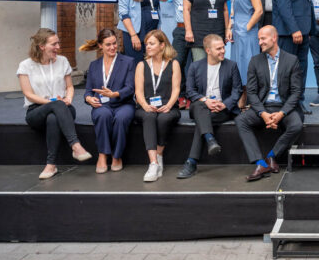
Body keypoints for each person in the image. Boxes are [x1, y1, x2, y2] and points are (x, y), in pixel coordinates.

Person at [18, 28, 92, 179]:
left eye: (58, 43)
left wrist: (69, 99)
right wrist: (52, 103)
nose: (58, 47)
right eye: (54, 44)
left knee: (53, 117)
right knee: (55, 107)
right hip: (36, 111)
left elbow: (70, 87)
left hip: (64, 108)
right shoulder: (25, 65)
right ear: (42, 46)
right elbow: (28, 94)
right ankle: (76, 146)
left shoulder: (63, 61)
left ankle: (51, 165)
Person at [235, 26, 304, 182]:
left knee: (296, 125)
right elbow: (251, 93)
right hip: (263, 107)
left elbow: (296, 93)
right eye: (259, 39)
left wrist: (281, 114)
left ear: (274, 38)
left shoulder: (291, 60)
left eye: (263, 39)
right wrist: (263, 114)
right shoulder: (255, 61)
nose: (260, 42)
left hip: (284, 107)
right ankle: (260, 163)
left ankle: (271, 156)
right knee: (240, 120)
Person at [177, 34, 243, 179]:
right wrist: (205, 100)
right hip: (202, 106)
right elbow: (190, 91)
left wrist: (224, 104)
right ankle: (209, 140)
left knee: (202, 120)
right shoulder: (195, 66)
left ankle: (192, 161)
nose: (223, 51)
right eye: (218, 48)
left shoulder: (231, 65)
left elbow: (237, 90)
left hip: (222, 110)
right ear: (208, 51)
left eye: (223, 48)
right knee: (200, 107)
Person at [80, 29, 136, 174]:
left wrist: (115, 94)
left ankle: (117, 156)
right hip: (102, 105)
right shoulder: (94, 65)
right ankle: (103, 155)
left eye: (114, 43)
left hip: (123, 104)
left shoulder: (128, 62)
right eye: (108, 44)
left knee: (121, 118)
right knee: (102, 115)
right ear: (100, 46)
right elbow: (88, 90)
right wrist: (88, 98)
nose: (112, 47)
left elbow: (130, 88)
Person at [271, 0, 316, 114]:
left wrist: (308, 30)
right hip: (289, 34)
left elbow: (303, 5)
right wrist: (294, 30)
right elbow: (284, 6)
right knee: (287, 70)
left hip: (302, 33)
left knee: (300, 69)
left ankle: (297, 102)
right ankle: (285, 104)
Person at [133, 29, 181, 182]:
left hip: (169, 106)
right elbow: (138, 91)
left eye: (151, 43)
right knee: (149, 116)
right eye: (147, 44)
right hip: (146, 107)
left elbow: (176, 89)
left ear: (162, 45)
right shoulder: (141, 65)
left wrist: (169, 105)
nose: (147, 46)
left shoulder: (174, 64)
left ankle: (159, 156)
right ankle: (153, 163)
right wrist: (145, 105)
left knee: (163, 119)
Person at [157, 0, 194, 99]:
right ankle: (182, 95)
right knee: (177, 63)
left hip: (197, 28)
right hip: (180, 29)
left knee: (196, 64)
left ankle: (194, 96)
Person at [228, 0, 263, 95]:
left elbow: (259, 10)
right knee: (238, 64)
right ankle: (241, 97)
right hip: (237, 33)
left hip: (248, 34)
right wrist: (230, 28)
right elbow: (233, 11)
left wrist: (247, 27)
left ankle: (250, 99)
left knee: (247, 65)